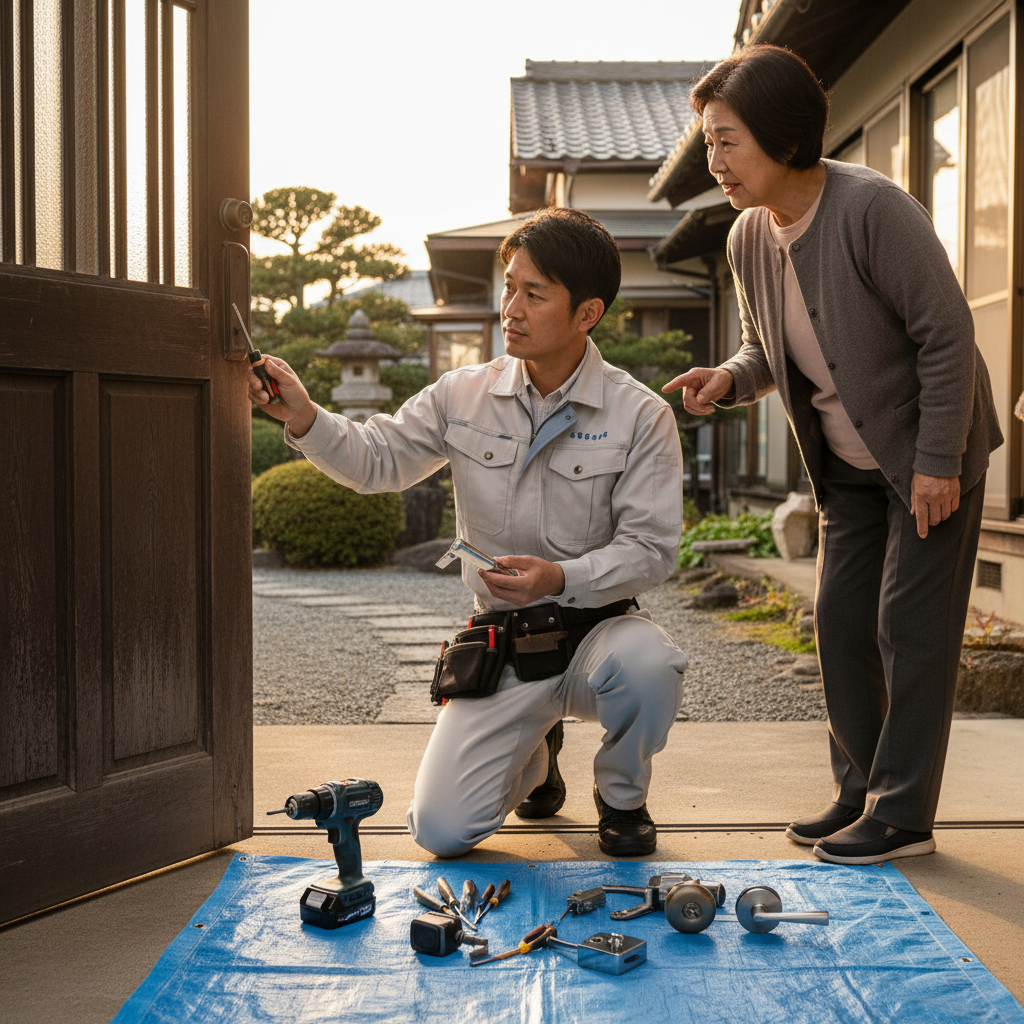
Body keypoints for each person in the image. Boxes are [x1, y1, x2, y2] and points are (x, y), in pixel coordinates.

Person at [249, 207, 688, 857]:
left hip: (600, 636)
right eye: (509, 286)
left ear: (587, 313)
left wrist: (561, 576)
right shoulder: (463, 395)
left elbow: (652, 551)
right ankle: (536, 759)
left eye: (533, 294)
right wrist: (307, 416)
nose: (510, 306)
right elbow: (378, 460)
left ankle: (622, 798)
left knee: (651, 664)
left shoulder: (641, 416)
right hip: (506, 643)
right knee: (441, 830)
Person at [665, 44, 1002, 865]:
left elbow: (947, 337)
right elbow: (768, 346)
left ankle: (903, 815)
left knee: (908, 628)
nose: (714, 161)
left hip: (929, 454)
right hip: (846, 472)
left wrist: (935, 462)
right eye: (707, 142)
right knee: (840, 621)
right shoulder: (749, 236)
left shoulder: (872, 209)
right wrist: (732, 379)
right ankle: (859, 792)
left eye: (727, 140)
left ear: (783, 137)